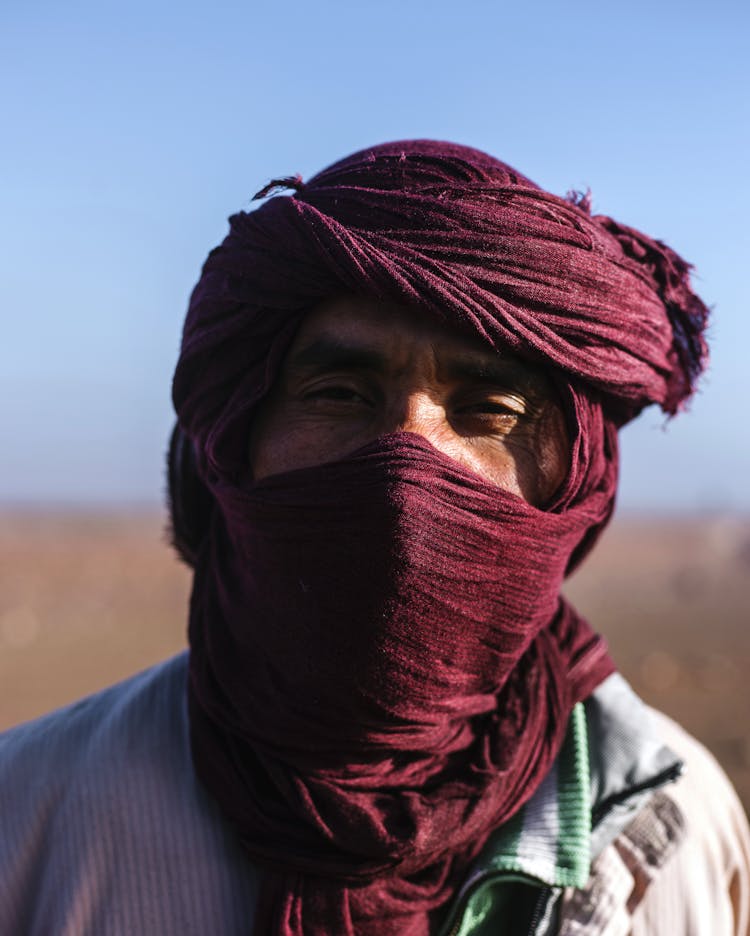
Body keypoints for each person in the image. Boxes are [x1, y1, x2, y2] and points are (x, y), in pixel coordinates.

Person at [1, 140, 749, 936]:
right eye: (339, 393)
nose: (407, 463)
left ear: (578, 480)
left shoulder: (680, 834)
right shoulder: (29, 818)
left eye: (489, 410)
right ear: (232, 448)